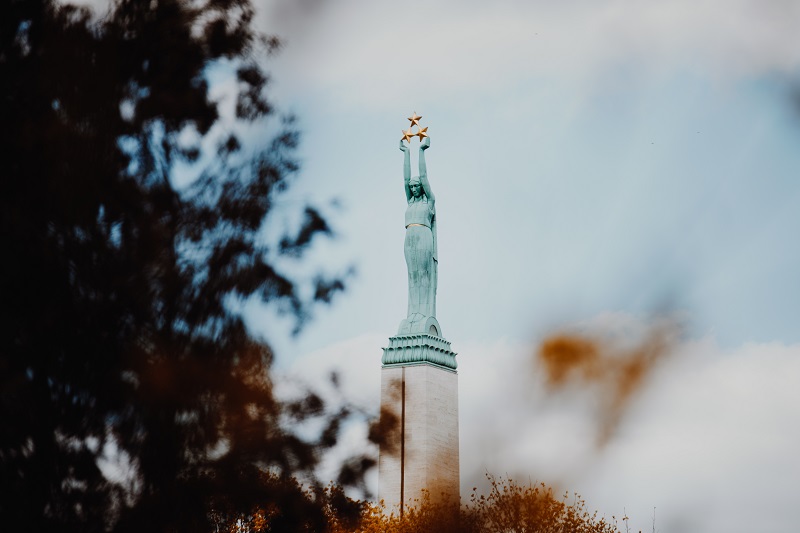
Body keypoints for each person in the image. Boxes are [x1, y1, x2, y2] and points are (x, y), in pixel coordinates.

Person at [399, 137, 437, 321]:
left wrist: (421, 151)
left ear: (422, 187)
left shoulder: (428, 201)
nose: (413, 188)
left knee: (423, 274)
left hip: (423, 235)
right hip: (409, 237)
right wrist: (406, 153)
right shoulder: (410, 202)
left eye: (416, 186)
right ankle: (412, 312)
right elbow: (405, 179)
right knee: (412, 276)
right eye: (412, 187)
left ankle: (423, 313)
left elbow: (423, 176)